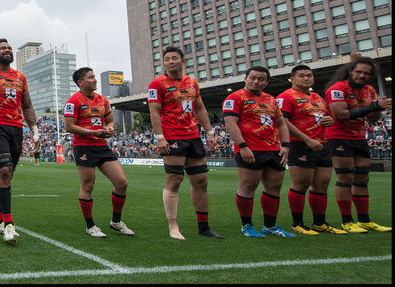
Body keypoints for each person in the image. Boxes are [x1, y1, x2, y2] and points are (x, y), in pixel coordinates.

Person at [146, 46, 222, 240]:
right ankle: (173, 226)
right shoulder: (157, 84)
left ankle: (204, 227)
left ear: (182, 61)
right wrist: (159, 137)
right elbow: (154, 112)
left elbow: (200, 108)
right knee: (175, 181)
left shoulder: (192, 83)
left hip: (193, 136)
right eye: (167, 59)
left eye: (174, 58)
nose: (171, 62)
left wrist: (210, 132)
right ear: (163, 63)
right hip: (172, 136)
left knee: (201, 181)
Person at [0, 38, 39, 245]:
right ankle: (9, 225)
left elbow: (27, 106)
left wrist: (35, 131)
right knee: (4, 171)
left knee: (8, 174)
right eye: (3, 48)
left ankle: (0, 221)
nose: (8, 50)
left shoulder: (20, 76)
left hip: (16, 129)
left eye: (9, 48)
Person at [223, 66, 296, 238]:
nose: (256, 82)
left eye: (261, 79)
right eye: (253, 78)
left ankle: (270, 226)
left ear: (266, 82)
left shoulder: (271, 100)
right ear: (245, 78)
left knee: (274, 188)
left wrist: (285, 146)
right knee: (248, 186)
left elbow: (281, 123)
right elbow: (231, 123)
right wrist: (243, 146)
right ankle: (246, 226)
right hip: (251, 149)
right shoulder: (234, 98)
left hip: (273, 149)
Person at [63, 68, 134, 238]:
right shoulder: (73, 101)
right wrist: (92, 132)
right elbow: (69, 126)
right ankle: (90, 226)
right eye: (90, 77)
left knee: (122, 182)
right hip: (84, 146)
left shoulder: (103, 100)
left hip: (102, 146)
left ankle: (116, 222)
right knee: (88, 185)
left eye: (94, 77)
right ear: (80, 82)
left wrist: (109, 128)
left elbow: (109, 119)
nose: (94, 80)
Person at [323, 57, 392, 233]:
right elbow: (341, 115)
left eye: (366, 73)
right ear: (351, 71)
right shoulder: (337, 89)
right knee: (345, 178)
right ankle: (347, 221)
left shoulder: (369, 90)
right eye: (359, 72)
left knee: (362, 178)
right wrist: (374, 106)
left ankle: (364, 220)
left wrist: (378, 108)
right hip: (338, 137)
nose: (362, 76)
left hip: (359, 137)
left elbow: (373, 118)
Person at [276, 65, 345, 235]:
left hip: (322, 144)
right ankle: (298, 223)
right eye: (301, 76)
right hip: (300, 145)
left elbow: (322, 117)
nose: (306, 78)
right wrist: (307, 139)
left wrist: (328, 120)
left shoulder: (317, 97)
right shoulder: (285, 97)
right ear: (292, 79)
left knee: (322, 183)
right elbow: (282, 122)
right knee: (301, 184)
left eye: (309, 75)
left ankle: (320, 223)